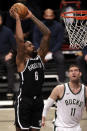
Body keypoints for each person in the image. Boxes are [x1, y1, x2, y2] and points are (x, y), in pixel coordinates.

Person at [10, 6, 51, 131]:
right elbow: (20, 40)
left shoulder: (40, 56)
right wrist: (18, 19)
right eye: (29, 45)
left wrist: (31, 16)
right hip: (24, 101)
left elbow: (47, 34)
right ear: (23, 50)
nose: (32, 46)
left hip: (38, 100)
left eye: (32, 44)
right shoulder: (21, 60)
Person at [42, 64, 87, 131]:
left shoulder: (85, 90)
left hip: (76, 127)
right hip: (61, 127)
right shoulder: (59, 89)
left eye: (76, 70)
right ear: (68, 74)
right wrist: (43, 118)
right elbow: (47, 106)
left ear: (80, 73)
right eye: (71, 71)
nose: (73, 72)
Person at [33, 8, 66, 83]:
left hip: (55, 50)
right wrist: (40, 51)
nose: (48, 18)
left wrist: (51, 52)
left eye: (50, 16)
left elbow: (60, 41)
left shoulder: (59, 26)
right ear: (44, 16)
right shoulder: (38, 25)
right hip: (41, 50)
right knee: (33, 59)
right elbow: (35, 40)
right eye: (47, 16)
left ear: (53, 16)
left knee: (60, 58)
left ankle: (62, 82)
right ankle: (35, 82)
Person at [0, 11, 17, 96]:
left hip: (5, 55)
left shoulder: (8, 31)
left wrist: (10, 54)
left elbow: (14, 45)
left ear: (1, 20)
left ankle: (10, 89)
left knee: (9, 65)